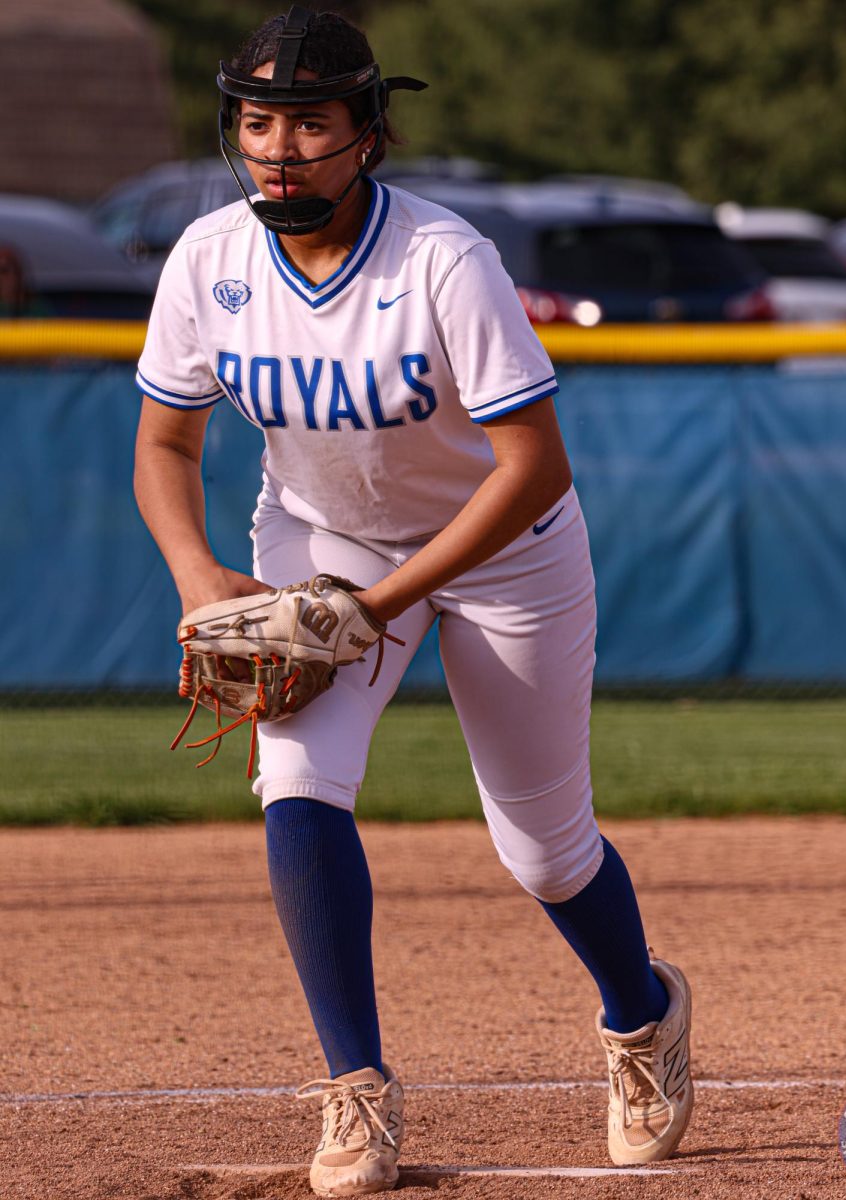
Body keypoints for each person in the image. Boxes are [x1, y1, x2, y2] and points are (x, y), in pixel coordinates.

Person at [132, 6, 693, 1196]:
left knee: (542, 849)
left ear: (370, 135)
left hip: (504, 551)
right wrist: (199, 578)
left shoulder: (443, 259)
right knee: (296, 779)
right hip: (322, 536)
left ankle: (641, 1020)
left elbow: (533, 466)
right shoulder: (210, 260)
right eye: (257, 119)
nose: (279, 146)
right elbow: (165, 450)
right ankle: (356, 1093)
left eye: (311, 120)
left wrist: (379, 605)